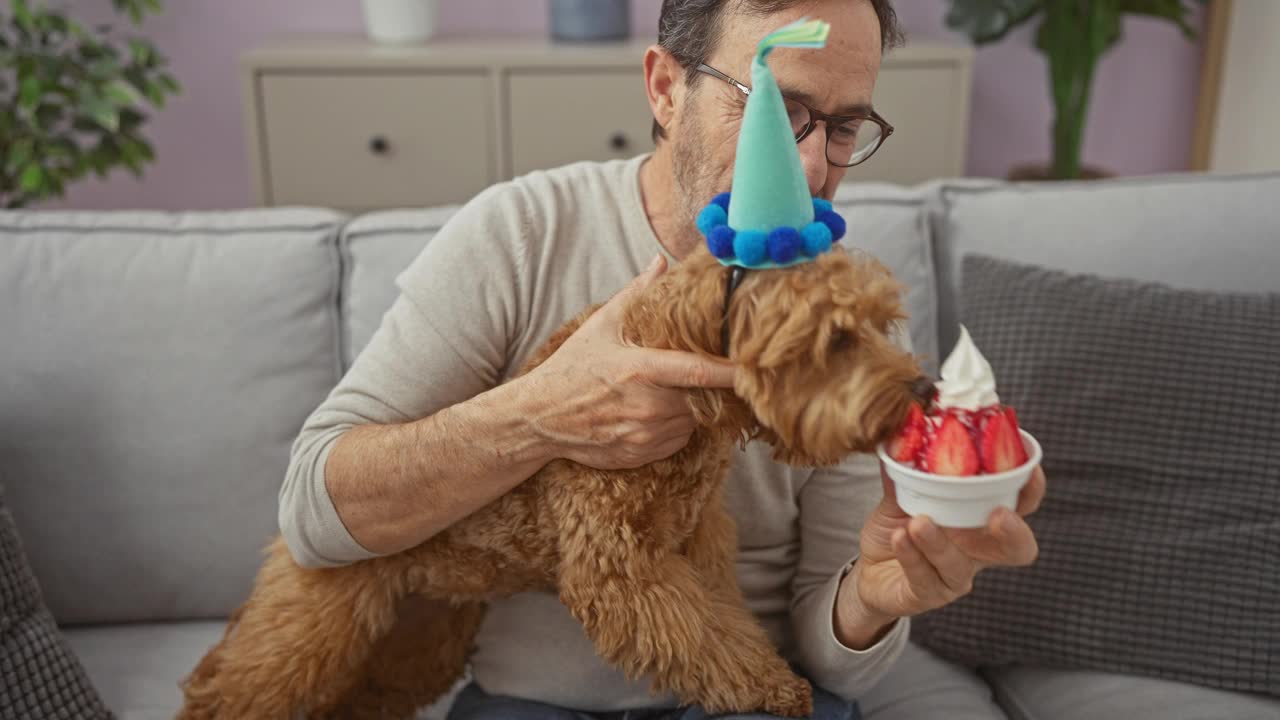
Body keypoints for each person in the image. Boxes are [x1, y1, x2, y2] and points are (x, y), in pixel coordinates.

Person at [278, 1, 1046, 718]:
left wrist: (878, 598)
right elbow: (314, 513)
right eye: (779, 111)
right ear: (666, 88)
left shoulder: (857, 318)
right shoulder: (520, 234)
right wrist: (540, 415)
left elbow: (831, 656)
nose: (812, 167)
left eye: (844, 128)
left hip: (747, 695)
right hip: (533, 702)